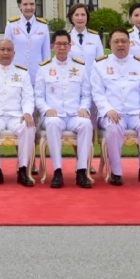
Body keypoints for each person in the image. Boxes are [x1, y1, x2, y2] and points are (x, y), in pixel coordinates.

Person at [91, 29, 140, 186]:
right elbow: (98, 93)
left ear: (130, 43)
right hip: (112, 112)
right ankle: (116, 172)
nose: (120, 44)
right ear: (110, 44)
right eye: (116, 41)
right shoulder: (100, 64)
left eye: (124, 41)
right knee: (113, 128)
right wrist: (108, 110)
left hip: (136, 112)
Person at [36, 30, 94, 188]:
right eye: (58, 44)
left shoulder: (80, 67)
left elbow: (86, 94)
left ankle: (81, 170)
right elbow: (39, 97)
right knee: (53, 123)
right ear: (52, 46)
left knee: (86, 124)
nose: (62, 47)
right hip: (55, 115)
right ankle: (57, 171)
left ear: (70, 46)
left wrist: (84, 108)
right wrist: (46, 109)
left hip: (74, 114)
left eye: (65, 44)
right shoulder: (44, 67)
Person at [0, 37, 36, 186]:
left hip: (16, 116)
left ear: (14, 53)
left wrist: (27, 112)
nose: (5, 53)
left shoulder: (22, 73)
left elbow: (28, 97)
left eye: (9, 50)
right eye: (2, 50)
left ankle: (22, 170)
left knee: (29, 127)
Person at [7, 0, 50, 81]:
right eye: (25, 4)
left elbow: (46, 54)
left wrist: (46, 75)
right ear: (19, 5)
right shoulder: (11, 25)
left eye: (32, 4)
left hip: (37, 75)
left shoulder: (43, 26)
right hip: (16, 75)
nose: (29, 7)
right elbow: (6, 52)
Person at [64, 4, 104, 72]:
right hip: (72, 79)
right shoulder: (65, 37)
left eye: (83, 15)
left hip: (91, 80)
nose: (80, 18)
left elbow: (101, 62)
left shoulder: (95, 37)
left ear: (87, 17)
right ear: (71, 18)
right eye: (76, 15)